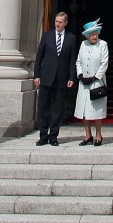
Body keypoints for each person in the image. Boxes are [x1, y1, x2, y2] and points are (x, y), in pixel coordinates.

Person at [33, 10, 77, 146]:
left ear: (66, 23)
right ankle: (43, 135)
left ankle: (53, 136)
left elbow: (72, 61)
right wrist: (37, 75)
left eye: (60, 22)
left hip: (61, 78)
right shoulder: (47, 36)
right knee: (44, 107)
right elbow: (39, 57)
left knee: (58, 109)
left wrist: (72, 77)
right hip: (46, 77)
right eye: (56, 22)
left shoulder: (71, 38)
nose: (57, 24)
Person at [74, 19, 109, 146]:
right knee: (84, 110)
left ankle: (98, 135)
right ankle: (88, 135)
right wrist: (80, 75)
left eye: (96, 33)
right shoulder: (83, 44)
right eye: (92, 34)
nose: (94, 36)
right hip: (84, 83)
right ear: (87, 35)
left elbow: (104, 63)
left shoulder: (103, 44)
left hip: (96, 82)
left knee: (96, 110)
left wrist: (96, 77)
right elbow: (78, 61)